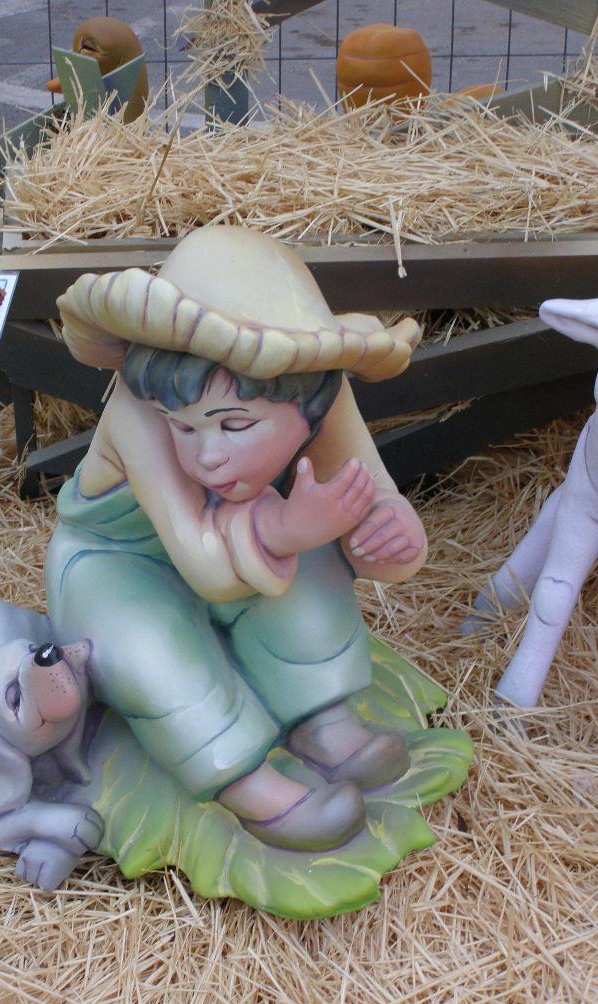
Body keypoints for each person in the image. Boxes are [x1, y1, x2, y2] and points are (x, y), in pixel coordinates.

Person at [46, 225, 426, 852]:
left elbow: (367, 492)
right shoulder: (139, 412)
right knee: (146, 644)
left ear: (304, 398)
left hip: (241, 541)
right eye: (185, 428)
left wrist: (389, 532)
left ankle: (320, 717)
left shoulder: (321, 393)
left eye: (236, 425)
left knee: (311, 569)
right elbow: (205, 565)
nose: (208, 457)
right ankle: (247, 784)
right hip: (122, 564)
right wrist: (285, 527)